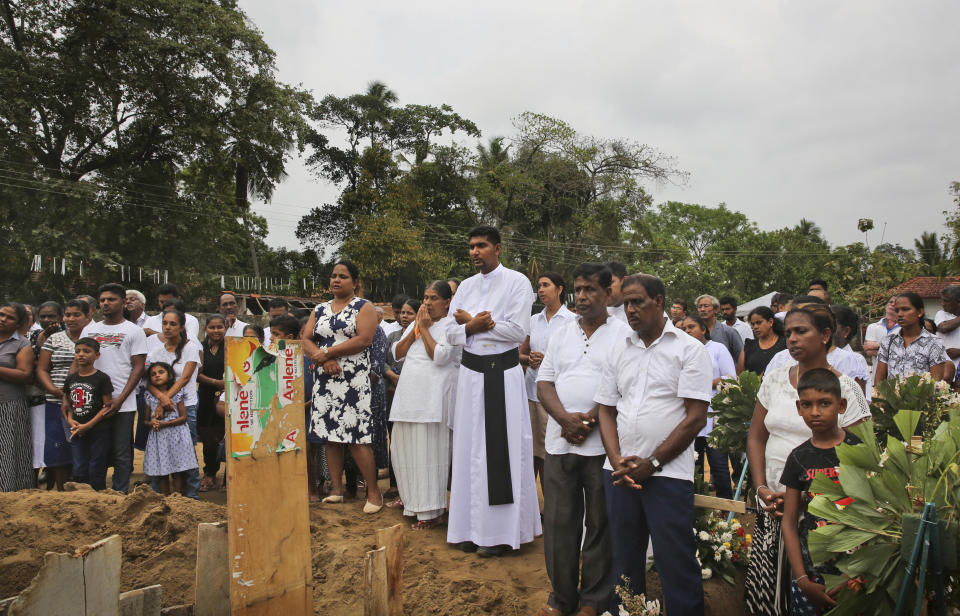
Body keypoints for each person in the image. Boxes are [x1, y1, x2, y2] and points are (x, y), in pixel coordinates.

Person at [594, 274, 712, 614]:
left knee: (674, 558)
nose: (630, 309)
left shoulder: (690, 350)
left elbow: (695, 418)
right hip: (618, 473)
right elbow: (605, 408)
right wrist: (616, 459)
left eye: (638, 302)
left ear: (659, 301)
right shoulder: (620, 347)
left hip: (667, 475)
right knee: (624, 559)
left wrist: (653, 464)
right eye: (626, 303)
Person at [744, 304, 872, 615]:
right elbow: (756, 437)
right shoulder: (774, 380)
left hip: (827, 520)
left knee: (817, 597)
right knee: (775, 594)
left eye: (802, 331)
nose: (792, 339)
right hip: (774, 508)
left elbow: (865, 462)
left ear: (826, 335)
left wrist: (822, 501)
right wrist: (761, 489)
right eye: (788, 333)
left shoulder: (845, 389)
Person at [535, 263, 631, 616]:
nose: (584, 296)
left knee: (599, 524)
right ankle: (562, 598)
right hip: (560, 443)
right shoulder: (561, 333)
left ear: (608, 293)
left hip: (603, 446)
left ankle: (593, 599)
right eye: (579, 288)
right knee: (560, 523)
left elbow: (623, 385)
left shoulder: (624, 334)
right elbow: (544, 382)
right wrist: (563, 418)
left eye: (591, 289)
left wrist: (588, 419)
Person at [446, 225, 540, 557]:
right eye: (471, 246)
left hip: (502, 375)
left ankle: (501, 534)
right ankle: (470, 529)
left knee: (502, 452)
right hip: (470, 375)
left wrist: (473, 323)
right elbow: (448, 331)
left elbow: (516, 332)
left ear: (497, 248)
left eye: (481, 246)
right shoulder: (465, 287)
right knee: (470, 451)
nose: (474, 251)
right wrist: (472, 326)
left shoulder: (517, 282)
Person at [301, 260, 383, 513]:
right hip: (325, 378)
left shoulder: (363, 307)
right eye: (333, 276)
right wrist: (323, 359)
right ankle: (336, 489)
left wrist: (327, 353)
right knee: (330, 436)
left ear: (355, 282)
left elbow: (364, 339)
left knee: (356, 436)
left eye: (343, 276)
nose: (336, 280)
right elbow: (305, 338)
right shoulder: (320, 308)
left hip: (353, 379)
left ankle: (373, 493)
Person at [781, 368, 857, 615]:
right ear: (798, 407)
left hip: (856, 572)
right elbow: (790, 522)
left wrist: (854, 574)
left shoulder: (859, 450)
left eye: (824, 403)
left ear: (841, 404)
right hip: (812, 575)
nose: (815, 412)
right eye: (807, 404)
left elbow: (875, 512)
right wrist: (802, 579)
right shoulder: (798, 459)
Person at [390, 281, 460, 529]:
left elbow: (440, 356)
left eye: (433, 298)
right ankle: (412, 504)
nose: (427, 303)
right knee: (404, 452)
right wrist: (416, 329)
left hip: (433, 399)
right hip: (408, 397)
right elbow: (397, 352)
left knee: (430, 455)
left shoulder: (452, 326)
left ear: (447, 302)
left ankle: (431, 513)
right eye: (425, 297)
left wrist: (425, 330)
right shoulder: (416, 323)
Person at [80, 283, 148, 494]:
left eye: (111, 299)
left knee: (121, 452)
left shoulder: (134, 331)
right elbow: (79, 363)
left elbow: (138, 368)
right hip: (94, 402)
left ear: (123, 302)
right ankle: (97, 494)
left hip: (123, 403)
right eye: (102, 300)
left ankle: (120, 494)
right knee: (96, 451)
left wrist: (121, 399)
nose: (106, 303)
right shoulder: (90, 329)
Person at [520, 272, 576, 483]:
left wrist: (549, 361)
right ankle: (532, 506)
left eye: (546, 285)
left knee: (548, 452)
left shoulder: (572, 321)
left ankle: (549, 507)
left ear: (560, 289)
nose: (541, 290)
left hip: (555, 396)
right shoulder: (533, 320)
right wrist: (529, 359)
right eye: (539, 286)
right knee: (530, 450)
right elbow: (520, 354)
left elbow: (576, 359)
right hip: (530, 394)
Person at [144, 310, 203, 498]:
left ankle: (191, 497)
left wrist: (164, 401)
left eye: (172, 324)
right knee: (159, 452)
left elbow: (184, 378)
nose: (167, 328)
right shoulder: (157, 351)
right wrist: (161, 400)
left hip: (186, 404)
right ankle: (159, 497)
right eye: (165, 323)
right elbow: (149, 381)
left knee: (186, 453)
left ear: (182, 327)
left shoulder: (190, 348)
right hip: (159, 406)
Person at [678, 314, 737, 499]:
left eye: (691, 327)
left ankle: (725, 509)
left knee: (718, 464)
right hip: (689, 416)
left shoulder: (717, 349)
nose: (687, 331)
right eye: (684, 328)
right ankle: (698, 511)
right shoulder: (681, 351)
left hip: (715, 416)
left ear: (704, 329)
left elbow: (730, 379)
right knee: (694, 466)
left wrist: (703, 383)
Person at [37, 299, 90, 490]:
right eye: (68, 315)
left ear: (88, 316)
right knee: (57, 446)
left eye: (77, 314)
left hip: (85, 402)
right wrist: (52, 389)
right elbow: (42, 369)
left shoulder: (94, 337)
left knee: (81, 446)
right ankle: (61, 490)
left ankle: (82, 488)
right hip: (54, 400)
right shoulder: (54, 339)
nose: (71, 318)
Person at [61, 337, 114, 490]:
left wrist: (89, 425)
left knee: (96, 465)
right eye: (77, 351)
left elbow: (107, 406)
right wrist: (71, 421)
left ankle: (97, 499)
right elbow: (69, 405)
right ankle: (81, 499)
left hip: (98, 430)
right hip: (77, 431)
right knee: (79, 466)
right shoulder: (71, 379)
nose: (81, 355)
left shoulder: (102, 378)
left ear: (97, 355)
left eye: (86, 351)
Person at [142, 362, 198, 496]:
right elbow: (145, 420)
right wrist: (153, 423)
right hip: (159, 438)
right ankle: (165, 498)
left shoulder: (177, 393)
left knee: (177, 470)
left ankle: (177, 499)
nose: (157, 376)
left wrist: (164, 424)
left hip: (176, 435)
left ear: (170, 375)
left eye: (161, 372)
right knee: (162, 471)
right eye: (153, 374)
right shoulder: (148, 396)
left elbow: (183, 417)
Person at [875, 292, 951, 383]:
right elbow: (879, 382)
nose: (900, 314)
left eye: (905, 309)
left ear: (919, 312)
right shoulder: (888, 341)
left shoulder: (934, 342)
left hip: (922, 397)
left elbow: (935, 384)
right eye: (897, 310)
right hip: (890, 396)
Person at [0, 302, 35, 491]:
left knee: (8, 450)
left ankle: (8, 494)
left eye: (10, 317)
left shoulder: (22, 344)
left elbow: (25, 375)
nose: (3, 319)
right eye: (1, 314)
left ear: (19, 323)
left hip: (9, 404)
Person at [196, 315, 226, 492]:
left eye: (219, 327)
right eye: (212, 327)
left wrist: (225, 386)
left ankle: (228, 477)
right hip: (206, 396)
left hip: (228, 396)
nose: (216, 331)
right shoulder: (199, 347)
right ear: (206, 328)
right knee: (208, 437)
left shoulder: (231, 346)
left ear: (225, 328)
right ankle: (210, 473)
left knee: (228, 435)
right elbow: (196, 372)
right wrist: (216, 383)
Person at [738, 306, 787, 375]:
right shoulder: (749, 346)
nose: (755, 327)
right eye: (753, 324)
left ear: (770, 322)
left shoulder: (786, 344)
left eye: (759, 323)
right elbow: (740, 375)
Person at [696, 294, 743, 362]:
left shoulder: (729, 331)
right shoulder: (694, 332)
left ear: (716, 309)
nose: (702, 309)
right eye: (700, 307)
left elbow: (741, 357)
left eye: (706, 306)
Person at [863, 296, 899, 386]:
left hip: (898, 380)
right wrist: (894, 350)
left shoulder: (904, 328)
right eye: (890, 301)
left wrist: (877, 346)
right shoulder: (873, 327)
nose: (892, 304)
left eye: (896, 302)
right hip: (877, 378)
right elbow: (869, 351)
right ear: (886, 305)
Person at [934, 285, 960, 371]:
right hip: (944, 369)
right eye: (942, 300)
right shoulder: (941, 314)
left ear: (958, 302)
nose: (943, 304)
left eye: (946, 301)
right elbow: (944, 328)